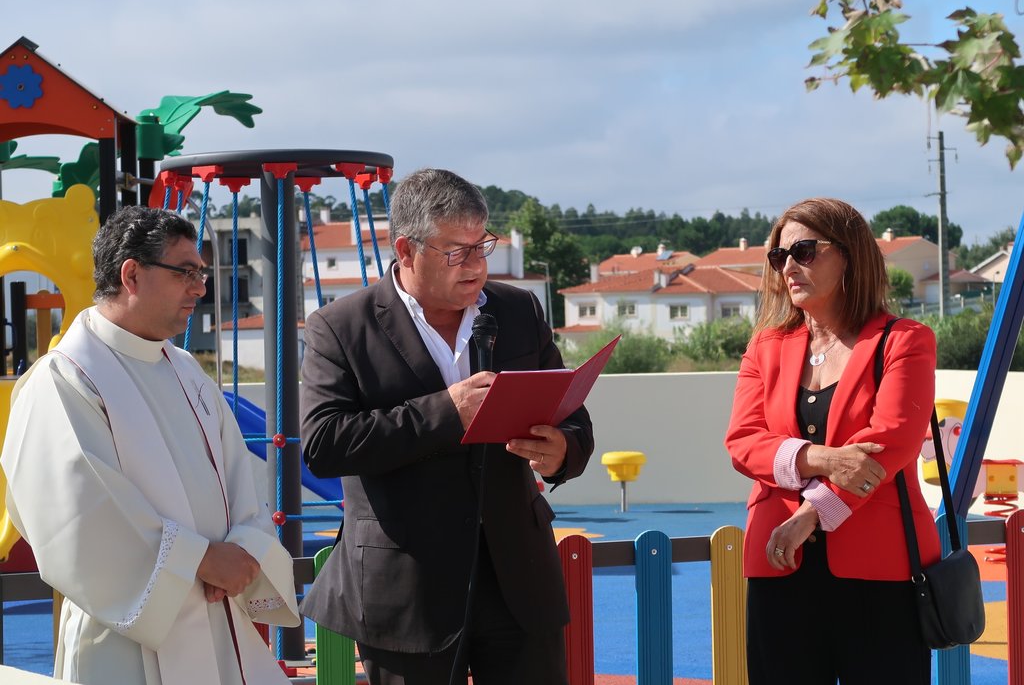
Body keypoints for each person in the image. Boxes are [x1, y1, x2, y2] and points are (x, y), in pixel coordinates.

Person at [299, 168, 594, 685]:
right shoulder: (340, 327)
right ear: (407, 250)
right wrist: (445, 411)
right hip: (406, 592)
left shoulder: (518, 309)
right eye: (458, 252)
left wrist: (562, 450)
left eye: (483, 246)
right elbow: (324, 444)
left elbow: (572, 413)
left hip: (518, 582)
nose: (477, 265)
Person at [2, 206, 300, 685]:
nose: (200, 289)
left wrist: (244, 550)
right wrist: (201, 560)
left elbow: (241, 485)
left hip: (218, 619)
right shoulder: (64, 379)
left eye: (202, 273)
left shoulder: (187, 373)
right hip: (128, 642)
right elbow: (78, 516)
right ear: (132, 274)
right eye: (186, 272)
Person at [723, 197, 940, 684]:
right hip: (778, 566)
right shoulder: (765, 345)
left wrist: (810, 514)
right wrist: (817, 457)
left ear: (850, 254)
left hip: (881, 574)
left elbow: (891, 444)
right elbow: (742, 441)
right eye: (779, 257)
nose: (789, 267)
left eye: (803, 251)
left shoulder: (905, 340)